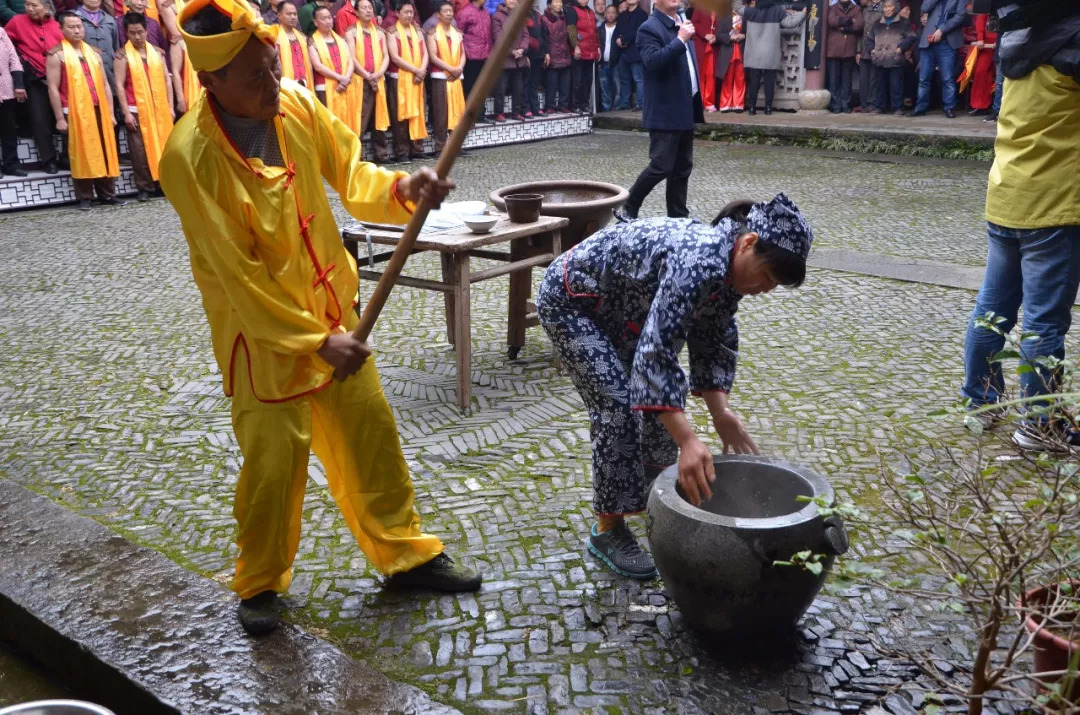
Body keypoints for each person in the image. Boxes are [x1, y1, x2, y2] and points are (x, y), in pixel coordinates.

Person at [159, 0, 481, 636]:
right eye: (256, 78)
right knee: (273, 465)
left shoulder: (298, 105)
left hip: (338, 312)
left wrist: (401, 192)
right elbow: (237, 276)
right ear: (211, 83)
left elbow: (351, 172)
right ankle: (259, 581)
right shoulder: (188, 158)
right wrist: (313, 341)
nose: (273, 84)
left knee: (371, 438)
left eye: (274, 67)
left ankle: (404, 552)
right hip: (267, 337)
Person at [537, 195, 813, 579]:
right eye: (767, 277)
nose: (765, 289)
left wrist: (722, 414)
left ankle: (660, 501)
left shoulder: (728, 269)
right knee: (619, 404)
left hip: (628, 310)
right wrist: (687, 441)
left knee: (663, 403)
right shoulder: (698, 260)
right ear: (748, 243)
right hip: (574, 301)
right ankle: (607, 530)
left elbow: (711, 337)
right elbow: (658, 354)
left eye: (774, 285)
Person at [960, 4, 1080, 452]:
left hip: (1007, 193)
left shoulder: (1015, 44)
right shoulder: (1072, 46)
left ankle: (979, 403)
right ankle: (1039, 424)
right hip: (1055, 201)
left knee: (990, 312)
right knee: (1044, 323)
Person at [613, 0, 701, 222]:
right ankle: (630, 205)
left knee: (682, 168)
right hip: (665, 109)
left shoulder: (682, 23)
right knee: (661, 165)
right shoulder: (649, 28)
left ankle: (678, 217)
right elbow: (652, 62)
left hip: (685, 106)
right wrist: (681, 40)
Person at [46, 11, 122, 209]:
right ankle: (85, 196)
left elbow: (105, 84)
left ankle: (107, 194)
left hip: (98, 108)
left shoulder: (94, 53)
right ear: (61, 29)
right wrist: (59, 118)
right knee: (81, 151)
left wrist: (111, 113)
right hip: (74, 111)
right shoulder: (57, 54)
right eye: (71, 27)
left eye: (79, 26)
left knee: (104, 149)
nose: (77, 30)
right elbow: (53, 88)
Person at [114, 11, 172, 200]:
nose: (137, 37)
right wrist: (126, 113)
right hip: (135, 108)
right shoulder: (122, 56)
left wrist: (170, 106)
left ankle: (163, 183)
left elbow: (167, 81)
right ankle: (144, 187)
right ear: (126, 34)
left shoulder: (157, 53)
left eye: (140, 32)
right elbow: (120, 86)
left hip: (160, 108)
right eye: (132, 33)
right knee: (139, 151)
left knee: (164, 146)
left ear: (146, 31)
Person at [8, 0, 64, 173]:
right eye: (27, 5)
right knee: (40, 120)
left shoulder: (57, 25)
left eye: (34, 5)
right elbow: (6, 45)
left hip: (60, 80)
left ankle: (67, 158)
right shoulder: (17, 22)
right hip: (33, 78)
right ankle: (48, 160)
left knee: (65, 117)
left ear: (47, 7)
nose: (30, 9)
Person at [742, 1, 806, 115]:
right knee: (769, 82)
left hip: (754, 53)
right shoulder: (777, 11)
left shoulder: (750, 11)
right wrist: (802, 13)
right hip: (770, 53)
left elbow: (736, 7)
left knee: (754, 82)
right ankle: (768, 108)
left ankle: (752, 108)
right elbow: (789, 23)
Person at [347, 0, 390, 161]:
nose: (368, 10)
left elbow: (386, 56)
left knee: (380, 116)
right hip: (361, 80)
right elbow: (352, 57)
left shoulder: (379, 32)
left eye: (370, 7)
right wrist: (367, 75)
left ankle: (382, 153)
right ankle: (356, 155)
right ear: (356, 12)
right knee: (361, 118)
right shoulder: (351, 32)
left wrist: (378, 74)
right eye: (364, 8)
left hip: (378, 78)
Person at [909, 0, 966, 118]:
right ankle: (920, 107)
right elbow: (924, 7)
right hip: (928, 41)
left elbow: (960, 16)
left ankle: (949, 108)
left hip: (947, 41)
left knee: (947, 78)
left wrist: (941, 30)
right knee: (923, 78)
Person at [309, 4, 361, 131]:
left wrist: (346, 78)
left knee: (348, 122)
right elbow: (318, 66)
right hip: (326, 88)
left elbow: (350, 61)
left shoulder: (341, 40)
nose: (328, 21)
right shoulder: (312, 42)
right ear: (316, 22)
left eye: (329, 18)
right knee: (330, 124)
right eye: (323, 18)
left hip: (346, 85)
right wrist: (340, 78)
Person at [386, 0, 428, 159]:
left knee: (419, 112)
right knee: (401, 114)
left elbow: (425, 54)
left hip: (418, 78)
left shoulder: (417, 31)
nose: (409, 15)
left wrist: (421, 70)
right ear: (397, 13)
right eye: (405, 12)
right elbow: (395, 57)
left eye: (411, 12)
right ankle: (402, 151)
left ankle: (417, 148)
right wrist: (416, 70)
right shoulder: (391, 32)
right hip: (400, 78)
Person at [425, 0, 462, 151]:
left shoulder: (457, 33)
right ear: (438, 15)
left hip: (456, 76)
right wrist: (451, 69)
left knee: (457, 110)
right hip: (441, 76)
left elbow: (463, 54)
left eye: (450, 11)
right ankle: (440, 146)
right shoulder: (432, 33)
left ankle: (456, 145)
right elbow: (433, 57)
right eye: (445, 11)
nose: (449, 13)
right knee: (441, 112)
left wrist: (459, 68)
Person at [866, 0, 912, 114]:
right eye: (885, 6)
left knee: (896, 84)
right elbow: (869, 39)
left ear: (895, 8)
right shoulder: (877, 23)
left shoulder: (903, 22)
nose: (886, 9)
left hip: (895, 58)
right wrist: (872, 51)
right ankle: (880, 106)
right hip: (880, 58)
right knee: (880, 84)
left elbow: (911, 37)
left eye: (889, 6)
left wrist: (901, 48)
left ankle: (897, 107)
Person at [490, 0, 527, 121]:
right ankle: (499, 113)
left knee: (519, 88)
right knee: (501, 88)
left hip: (518, 59)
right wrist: (511, 51)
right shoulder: (497, 16)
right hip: (504, 59)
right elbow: (498, 38)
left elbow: (526, 35)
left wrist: (522, 49)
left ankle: (516, 112)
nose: (512, 1)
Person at [0, 23, 28, 177]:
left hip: (6, 86)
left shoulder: (1, 32)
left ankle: (11, 164)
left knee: (9, 128)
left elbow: (13, 58)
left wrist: (19, 84)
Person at [74, 0, 120, 92]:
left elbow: (116, 47)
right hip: (83, 71)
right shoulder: (73, 18)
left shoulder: (110, 20)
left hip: (109, 72)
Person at [957, 7, 995, 116]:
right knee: (980, 72)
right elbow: (981, 18)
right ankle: (980, 105)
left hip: (1004, 42)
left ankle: (998, 106)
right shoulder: (986, 5)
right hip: (986, 45)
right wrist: (980, 38)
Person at [825, 0, 862, 113]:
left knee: (847, 80)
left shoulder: (856, 8)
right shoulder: (833, 8)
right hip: (834, 50)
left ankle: (845, 104)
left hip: (849, 50)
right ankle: (835, 105)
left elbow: (859, 24)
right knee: (834, 80)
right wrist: (850, 20)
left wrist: (844, 28)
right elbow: (832, 21)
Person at [564, 0, 598, 112]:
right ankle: (575, 105)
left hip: (591, 51)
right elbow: (571, 29)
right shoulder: (572, 10)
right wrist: (575, 46)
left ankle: (584, 104)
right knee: (577, 80)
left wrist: (598, 47)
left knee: (587, 81)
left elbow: (594, 31)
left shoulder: (591, 11)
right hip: (579, 51)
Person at [611, 0, 644, 109]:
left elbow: (638, 31)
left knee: (638, 79)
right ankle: (625, 103)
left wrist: (623, 39)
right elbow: (617, 30)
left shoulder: (642, 14)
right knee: (624, 79)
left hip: (635, 52)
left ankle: (640, 103)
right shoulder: (622, 15)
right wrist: (617, 40)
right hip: (622, 52)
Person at [454, 0, 488, 101]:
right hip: (471, 55)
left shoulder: (485, 11)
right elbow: (458, 33)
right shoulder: (464, 13)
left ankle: (480, 114)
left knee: (482, 86)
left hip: (485, 54)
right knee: (470, 86)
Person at [540, 0, 570, 112]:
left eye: (560, 2)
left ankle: (563, 105)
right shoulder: (544, 19)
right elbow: (543, 38)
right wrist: (546, 53)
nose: (559, 4)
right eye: (556, 2)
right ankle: (549, 106)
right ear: (549, 5)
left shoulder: (564, 17)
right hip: (552, 55)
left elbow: (569, 34)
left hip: (565, 53)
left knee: (565, 84)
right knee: (551, 84)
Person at [276, 0, 314, 87]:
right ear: (279, 15)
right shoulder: (274, 37)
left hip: (305, 83)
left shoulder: (303, 38)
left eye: (295, 14)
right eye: (289, 14)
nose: (293, 17)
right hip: (285, 85)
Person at [713, 6, 744, 112]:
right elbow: (718, 35)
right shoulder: (724, 17)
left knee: (740, 78)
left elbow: (750, 33)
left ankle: (738, 104)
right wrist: (730, 38)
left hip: (741, 51)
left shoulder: (746, 16)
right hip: (728, 51)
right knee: (727, 78)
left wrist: (743, 36)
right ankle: (725, 104)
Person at [687, 2, 714, 112]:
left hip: (714, 45)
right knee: (700, 73)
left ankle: (710, 101)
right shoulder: (701, 7)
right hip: (701, 44)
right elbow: (694, 23)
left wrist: (715, 36)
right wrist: (705, 34)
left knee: (711, 74)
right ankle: (699, 102)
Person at [855, 0, 881, 112]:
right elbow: (860, 32)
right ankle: (863, 103)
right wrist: (858, 51)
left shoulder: (885, 9)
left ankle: (873, 103)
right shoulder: (865, 10)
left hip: (877, 48)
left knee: (874, 78)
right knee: (863, 78)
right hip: (864, 48)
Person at [595, 3, 617, 111]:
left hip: (616, 63)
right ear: (605, 14)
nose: (611, 15)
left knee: (617, 89)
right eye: (608, 13)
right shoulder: (599, 29)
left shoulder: (619, 28)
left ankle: (617, 112)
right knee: (605, 89)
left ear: (616, 14)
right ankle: (606, 111)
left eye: (613, 13)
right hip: (603, 63)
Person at [522, 1, 543, 115]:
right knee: (526, 82)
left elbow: (543, 34)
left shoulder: (537, 15)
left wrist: (545, 52)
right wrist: (525, 54)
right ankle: (525, 108)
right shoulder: (521, 15)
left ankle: (535, 107)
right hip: (527, 54)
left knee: (534, 82)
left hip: (538, 54)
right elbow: (523, 36)